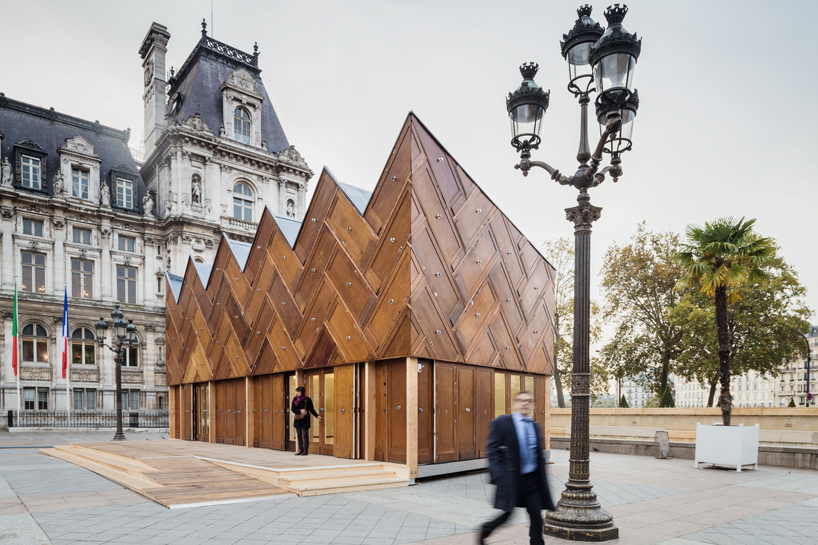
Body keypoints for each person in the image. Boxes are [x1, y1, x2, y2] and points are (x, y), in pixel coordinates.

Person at [480, 390, 555, 545]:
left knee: (535, 514)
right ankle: (486, 529)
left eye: (528, 400)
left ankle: (537, 542)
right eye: (521, 400)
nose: (524, 403)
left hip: (532, 480)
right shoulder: (503, 422)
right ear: (515, 404)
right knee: (508, 514)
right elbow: (492, 449)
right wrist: (499, 475)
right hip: (513, 479)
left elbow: (537, 456)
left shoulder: (535, 426)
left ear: (532, 405)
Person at [291, 386, 321, 456]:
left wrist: (317, 416)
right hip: (298, 419)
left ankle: (306, 450)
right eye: (297, 391)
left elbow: (311, 409)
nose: (297, 393)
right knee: (299, 434)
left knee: (305, 435)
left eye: (298, 391)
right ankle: (300, 449)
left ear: (302, 392)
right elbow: (293, 408)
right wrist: (300, 411)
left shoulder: (307, 399)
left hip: (305, 420)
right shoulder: (295, 399)